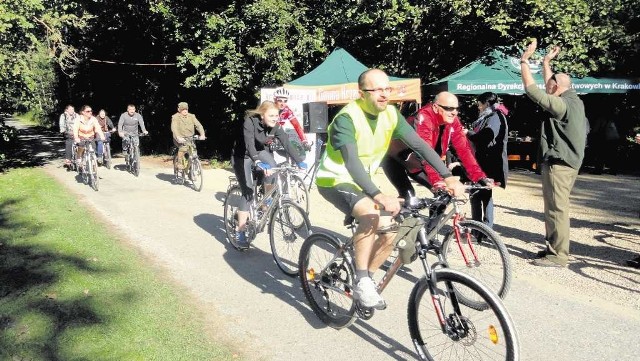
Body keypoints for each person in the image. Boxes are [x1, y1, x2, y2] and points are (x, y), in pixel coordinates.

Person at [315, 69, 466, 309]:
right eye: (377, 90)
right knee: (372, 215)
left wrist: (448, 177)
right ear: (361, 93)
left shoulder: (391, 115)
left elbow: (420, 146)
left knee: (391, 231)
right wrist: (378, 195)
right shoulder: (347, 118)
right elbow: (352, 164)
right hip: (335, 179)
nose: (384, 95)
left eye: (387, 89)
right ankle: (362, 281)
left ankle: (365, 277)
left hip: (362, 181)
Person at [520, 39, 587, 268]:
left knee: (558, 209)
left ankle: (559, 255)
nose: (546, 86)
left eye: (550, 86)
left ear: (556, 88)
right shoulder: (572, 98)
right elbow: (553, 83)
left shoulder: (562, 105)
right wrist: (547, 61)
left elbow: (533, 91)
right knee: (553, 207)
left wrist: (524, 61)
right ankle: (552, 248)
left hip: (560, 163)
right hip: (564, 162)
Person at [381, 91, 491, 199]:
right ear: (435, 107)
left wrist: (479, 176)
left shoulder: (453, 120)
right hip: (394, 159)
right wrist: (437, 180)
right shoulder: (424, 117)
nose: (454, 112)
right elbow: (425, 151)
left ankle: (435, 217)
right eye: (448, 108)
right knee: (409, 195)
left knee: (443, 195)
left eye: (456, 108)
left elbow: (464, 150)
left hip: (417, 163)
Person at [231, 100, 307, 248]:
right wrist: (258, 162)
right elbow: (249, 145)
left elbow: (287, 143)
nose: (275, 118)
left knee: (273, 168)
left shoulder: (275, 127)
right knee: (247, 193)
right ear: (262, 115)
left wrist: (299, 161)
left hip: (259, 152)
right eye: (271, 115)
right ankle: (240, 230)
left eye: (276, 116)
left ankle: (264, 204)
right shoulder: (250, 122)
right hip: (242, 155)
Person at [465, 92, 509, 229]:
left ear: (486, 103)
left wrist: (468, 133)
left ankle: (480, 230)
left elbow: (485, 137)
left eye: (479, 104)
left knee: (478, 195)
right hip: (484, 161)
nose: (478, 108)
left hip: (487, 163)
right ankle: (484, 229)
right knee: (483, 195)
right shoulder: (492, 115)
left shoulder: (495, 117)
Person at [273, 87, 312, 153]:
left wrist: (304, 141)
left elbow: (297, 126)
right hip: (266, 135)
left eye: (285, 101)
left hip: (277, 133)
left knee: (292, 152)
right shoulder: (269, 108)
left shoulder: (287, 110)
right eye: (280, 101)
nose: (283, 104)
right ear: (275, 100)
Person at [171, 102, 206, 174]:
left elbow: (198, 125)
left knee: (194, 152)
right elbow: (174, 128)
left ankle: (191, 171)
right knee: (183, 148)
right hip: (179, 138)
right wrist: (178, 137)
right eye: (183, 109)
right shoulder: (175, 117)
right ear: (179, 110)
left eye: (186, 109)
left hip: (190, 138)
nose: (185, 111)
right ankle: (179, 163)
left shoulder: (192, 116)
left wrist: (202, 134)